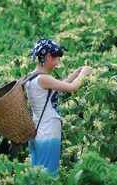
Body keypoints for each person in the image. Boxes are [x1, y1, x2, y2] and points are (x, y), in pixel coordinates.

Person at [25, 38, 92, 175]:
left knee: (38, 172)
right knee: (48, 174)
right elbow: (72, 88)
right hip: (48, 130)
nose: (57, 63)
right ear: (48, 57)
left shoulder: (32, 77)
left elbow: (59, 86)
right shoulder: (44, 78)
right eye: (57, 59)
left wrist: (76, 73)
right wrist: (84, 73)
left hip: (38, 130)